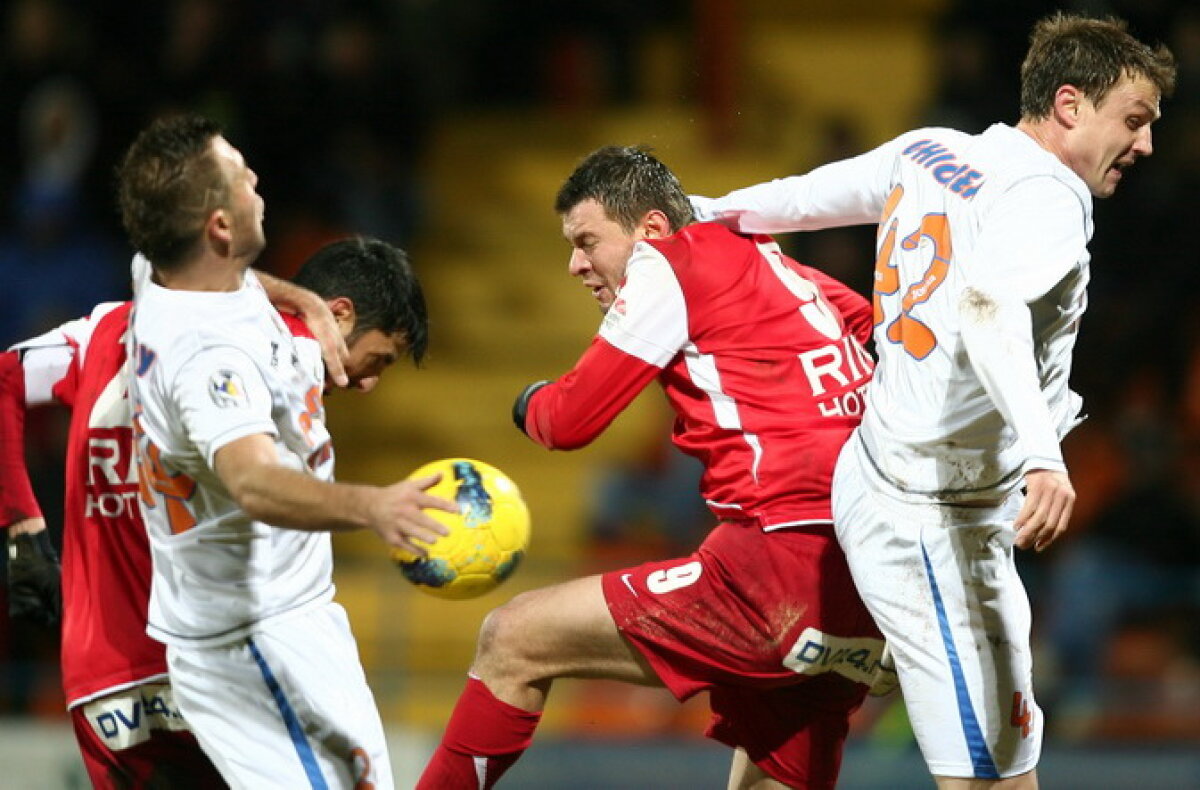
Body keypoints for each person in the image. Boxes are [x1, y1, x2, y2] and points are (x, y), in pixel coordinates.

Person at [690, 12, 1176, 788]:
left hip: (875, 473)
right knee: (995, 775)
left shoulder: (934, 149)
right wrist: (1045, 458)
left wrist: (691, 216)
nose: (1146, 145)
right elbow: (988, 311)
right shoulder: (1050, 196)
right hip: (935, 522)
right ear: (1070, 104)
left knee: (802, 723)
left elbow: (802, 199)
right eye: (1136, 120)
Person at [417, 145, 890, 790]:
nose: (575, 265)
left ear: (652, 231)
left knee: (512, 637)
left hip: (776, 568)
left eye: (587, 241)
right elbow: (876, 329)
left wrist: (524, 402)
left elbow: (567, 422)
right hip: (871, 582)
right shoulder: (776, 263)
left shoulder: (669, 264)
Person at [1, 235, 427, 787]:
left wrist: (22, 529)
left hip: (104, 684)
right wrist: (371, 505)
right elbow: (257, 484)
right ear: (340, 314)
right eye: (378, 360)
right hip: (219, 669)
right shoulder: (275, 360)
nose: (367, 383)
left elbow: (7, 377)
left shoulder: (104, 333)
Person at [116, 113, 455, 789]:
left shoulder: (180, 276)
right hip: (254, 642)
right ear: (218, 226)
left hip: (282, 624)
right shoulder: (209, 358)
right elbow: (253, 483)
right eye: (241, 176)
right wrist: (372, 505)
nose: (256, 179)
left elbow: (222, 280)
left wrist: (304, 299)